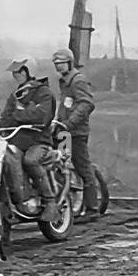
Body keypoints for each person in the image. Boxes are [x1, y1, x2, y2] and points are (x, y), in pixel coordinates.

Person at [1, 56, 58, 226]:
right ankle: (21, 198)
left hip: (39, 140)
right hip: (18, 140)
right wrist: (19, 116)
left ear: (29, 71)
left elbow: (42, 116)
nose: (16, 75)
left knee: (31, 160)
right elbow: (5, 118)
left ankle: (50, 201)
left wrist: (18, 115)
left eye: (19, 71)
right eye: (14, 72)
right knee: (6, 158)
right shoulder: (15, 96)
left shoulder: (43, 92)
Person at [51, 47, 99, 218]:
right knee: (60, 162)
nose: (58, 66)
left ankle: (92, 208)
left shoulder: (77, 80)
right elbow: (65, 105)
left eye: (62, 63)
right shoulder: (64, 81)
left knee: (82, 166)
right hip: (65, 131)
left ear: (70, 63)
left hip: (76, 132)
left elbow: (87, 104)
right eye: (56, 63)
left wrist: (69, 123)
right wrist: (57, 122)